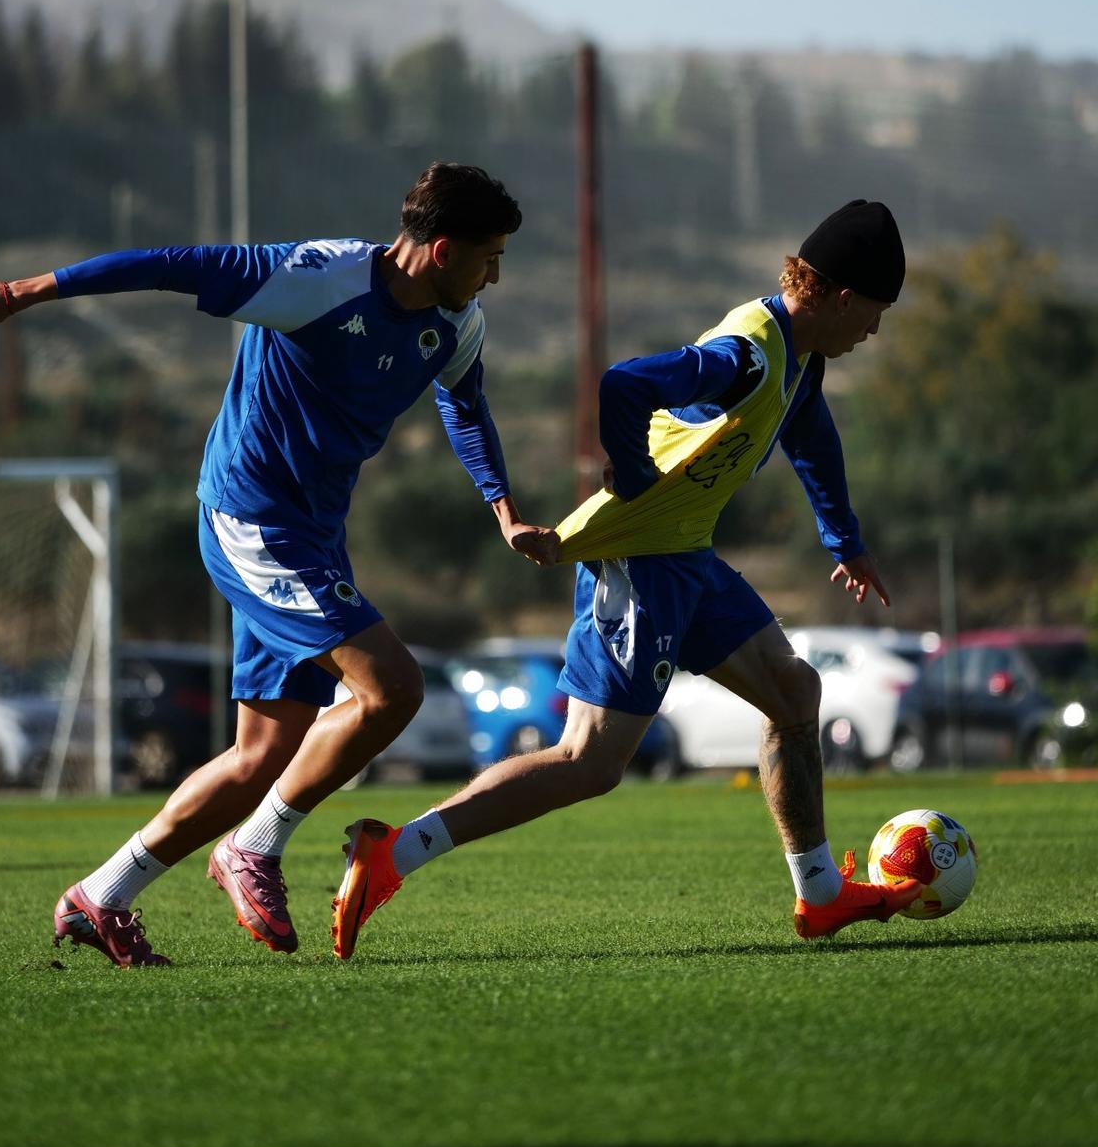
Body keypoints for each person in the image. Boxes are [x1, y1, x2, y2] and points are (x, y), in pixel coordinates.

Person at [0, 160, 558, 967]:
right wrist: (19, 293)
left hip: (313, 535)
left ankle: (99, 897)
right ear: (441, 252)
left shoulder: (455, 324)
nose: (496, 275)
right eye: (490, 256)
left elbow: (466, 408)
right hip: (250, 522)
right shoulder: (316, 278)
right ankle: (251, 849)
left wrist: (503, 510)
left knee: (262, 756)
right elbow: (167, 265)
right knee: (393, 688)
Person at [332, 199, 924, 959]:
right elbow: (624, 385)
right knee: (590, 761)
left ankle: (820, 897)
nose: (872, 333)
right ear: (843, 297)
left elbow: (808, 431)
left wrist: (844, 538)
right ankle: (392, 855)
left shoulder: (799, 356)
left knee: (793, 692)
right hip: (643, 560)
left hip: (688, 554)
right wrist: (635, 468)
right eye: (874, 316)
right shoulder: (746, 354)